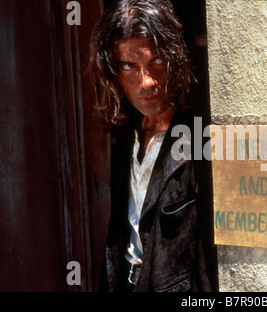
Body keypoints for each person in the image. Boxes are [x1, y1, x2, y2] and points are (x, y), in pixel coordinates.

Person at [89, 0, 215, 292]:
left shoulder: (200, 136)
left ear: (175, 59)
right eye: (129, 66)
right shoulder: (125, 135)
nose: (146, 81)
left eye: (156, 61)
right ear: (114, 72)